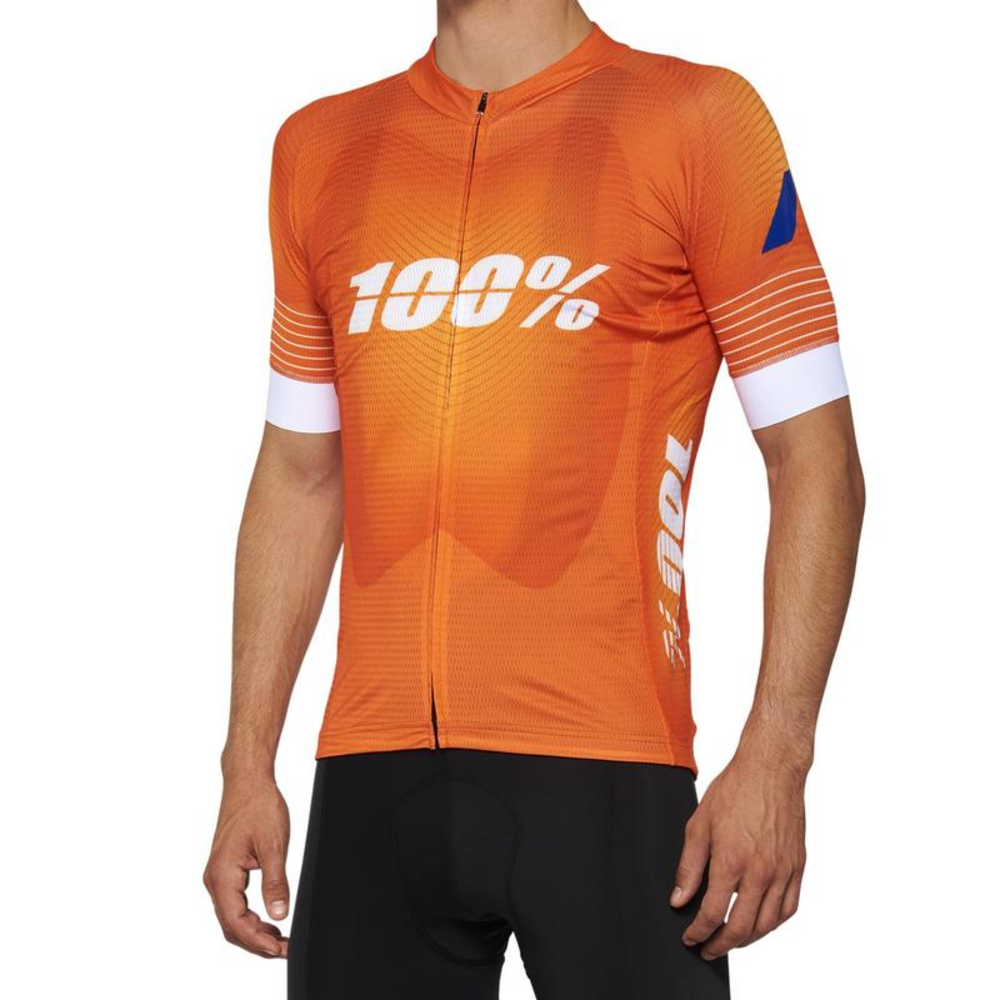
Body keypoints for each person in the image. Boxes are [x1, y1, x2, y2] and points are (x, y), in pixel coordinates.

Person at [203, 1, 865, 996]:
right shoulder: (321, 147)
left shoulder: (695, 119)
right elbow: (301, 474)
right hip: (372, 776)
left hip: (608, 770)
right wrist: (246, 762)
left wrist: (778, 752)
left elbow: (815, 459)